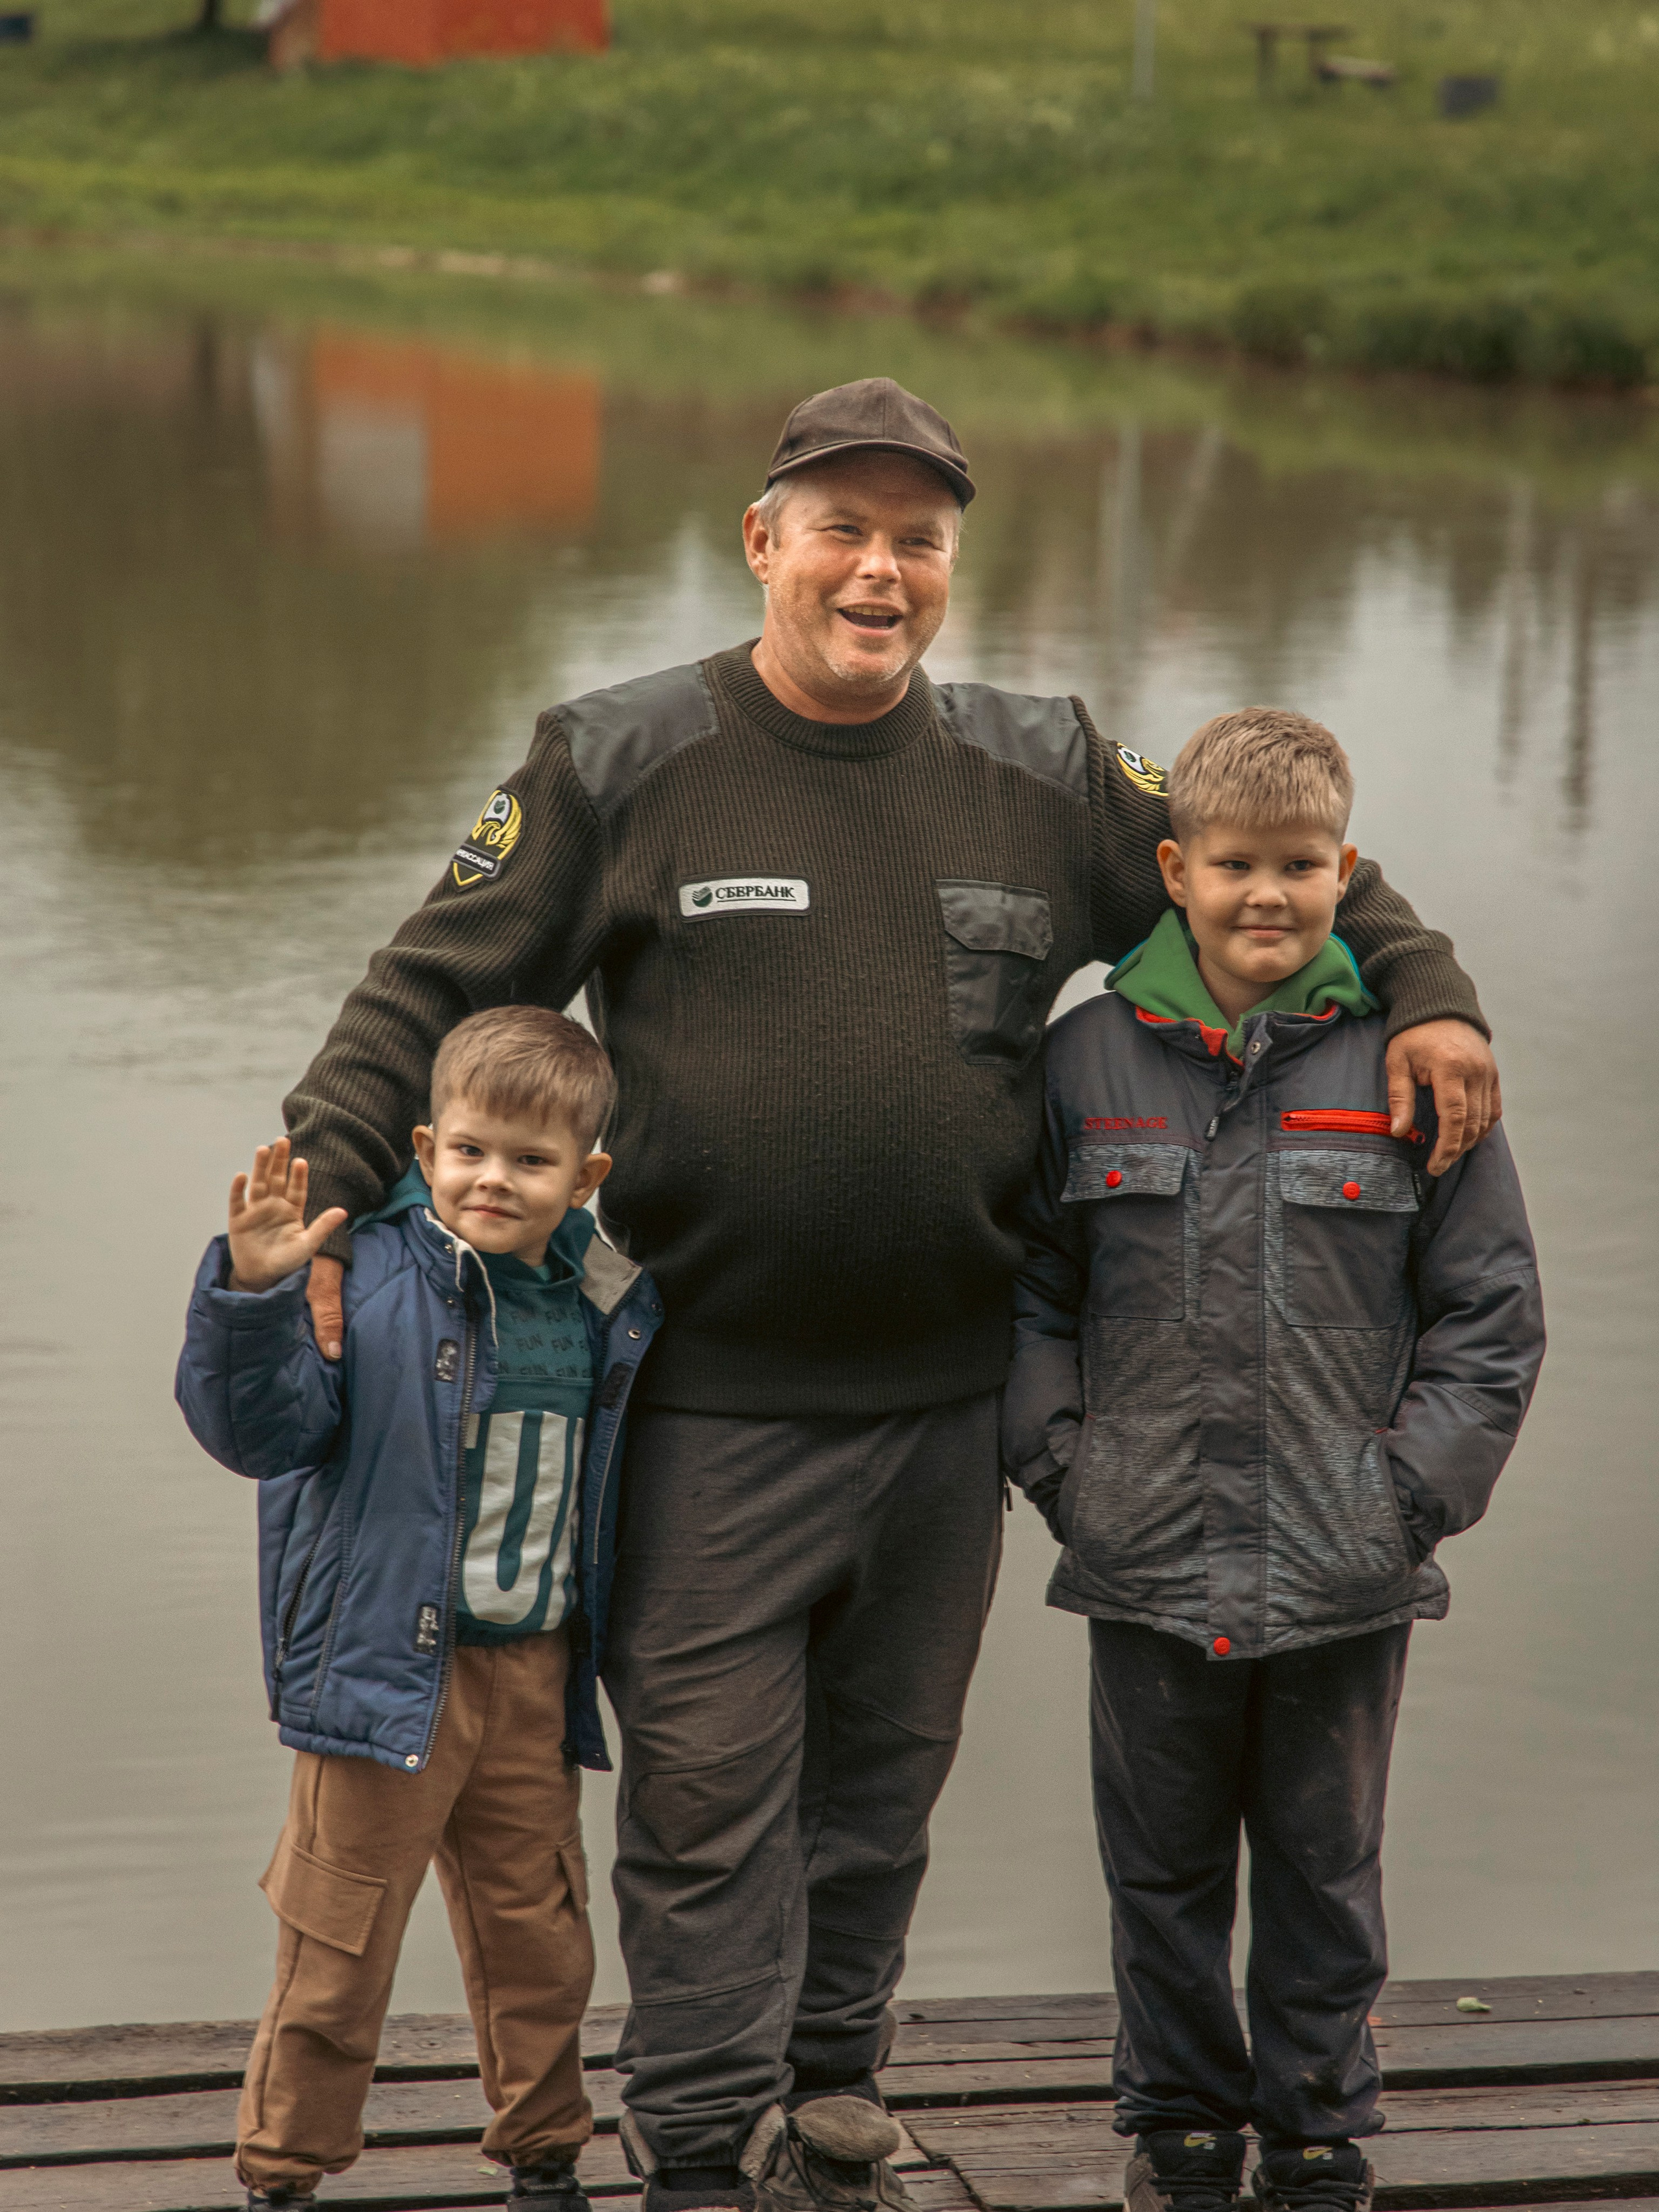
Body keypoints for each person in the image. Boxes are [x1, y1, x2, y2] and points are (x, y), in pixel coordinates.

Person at [279, 379, 1505, 2212]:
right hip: (704, 1395)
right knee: (704, 1801)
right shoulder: (614, 754)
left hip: (947, 1408)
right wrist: (313, 1190)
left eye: (916, 538)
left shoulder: (1051, 761)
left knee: (882, 1788)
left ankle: (835, 2086)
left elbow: (1280, 861)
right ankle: (698, 2138)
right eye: (840, 529)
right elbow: (425, 979)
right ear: (762, 541)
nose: (880, 568)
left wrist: (1427, 987)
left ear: (949, 566)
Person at [1003, 709, 1545, 2212]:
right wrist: (1066, 1468)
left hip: (1344, 1560)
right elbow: (1033, 1294)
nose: (1265, 895)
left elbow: (1489, 1318)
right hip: (1141, 1551)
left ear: (1344, 870)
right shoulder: (1082, 1061)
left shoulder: (1416, 1064)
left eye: (1298, 866)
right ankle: (1177, 2121)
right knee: (1158, 1871)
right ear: (1171, 870)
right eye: (1232, 863)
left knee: (1323, 1864)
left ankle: (1314, 2123)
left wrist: (1405, 1498)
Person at [176, 1008, 662, 2212]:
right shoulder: (366, 1273)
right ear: (427, 1143)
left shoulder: (608, 1294)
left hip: (532, 1675)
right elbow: (258, 1432)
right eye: (472, 1152)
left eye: (533, 1161)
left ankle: (544, 2156)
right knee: (337, 1948)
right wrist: (251, 1292)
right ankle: (285, 2174)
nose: (495, 1180)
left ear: (586, 1175)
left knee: (539, 1936)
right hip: (384, 1674)